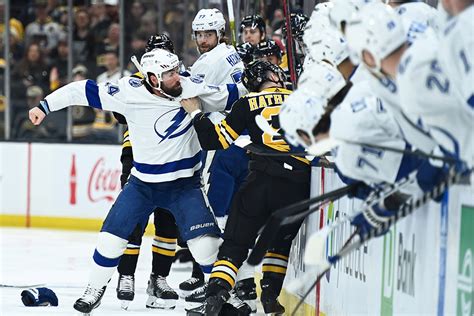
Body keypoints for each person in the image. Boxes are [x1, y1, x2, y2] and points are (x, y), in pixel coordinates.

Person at [28, 49, 237, 315]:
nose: (178, 78)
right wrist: (44, 106)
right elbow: (81, 89)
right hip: (142, 185)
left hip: (184, 186)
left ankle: (221, 296)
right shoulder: (128, 92)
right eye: (169, 74)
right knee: (109, 240)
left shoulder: (191, 86)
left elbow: (233, 94)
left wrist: (260, 83)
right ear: (152, 79)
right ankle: (94, 288)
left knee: (206, 247)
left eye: (176, 70)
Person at [181, 60, 311, 316]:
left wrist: (196, 113)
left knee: (234, 246)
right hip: (298, 184)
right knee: (280, 243)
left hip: (260, 181)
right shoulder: (304, 99)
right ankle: (271, 293)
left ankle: (215, 298)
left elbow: (213, 140)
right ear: (272, 75)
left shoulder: (245, 104)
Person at [184, 8, 256, 313]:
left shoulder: (211, 61)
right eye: (199, 34)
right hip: (244, 141)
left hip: (224, 142)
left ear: (220, 34)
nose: (202, 39)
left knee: (215, 213)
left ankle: (218, 282)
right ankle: (239, 280)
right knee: (237, 214)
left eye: (207, 34)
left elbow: (186, 91)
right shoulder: (230, 55)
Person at [345, 2, 473, 166]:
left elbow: (449, 138)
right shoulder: (430, 43)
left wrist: (436, 163)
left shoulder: (408, 85)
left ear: (368, 56)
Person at [113, 34, 181, 310]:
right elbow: (118, 114)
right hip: (137, 155)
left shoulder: (179, 81)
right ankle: (126, 274)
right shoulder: (135, 82)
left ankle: (159, 279)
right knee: (133, 218)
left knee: (168, 222)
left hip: (172, 156)